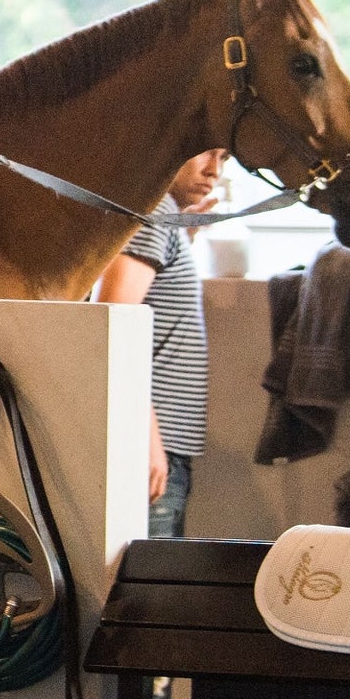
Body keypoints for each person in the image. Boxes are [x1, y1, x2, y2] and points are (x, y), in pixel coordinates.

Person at [94, 149, 227, 538]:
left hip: (163, 444)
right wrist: (145, 439)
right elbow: (113, 326)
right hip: (151, 445)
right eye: (206, 153)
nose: (214, 170)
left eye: (224, 158)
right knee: (145, 575)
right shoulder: (154, 216)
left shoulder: (164, 220)